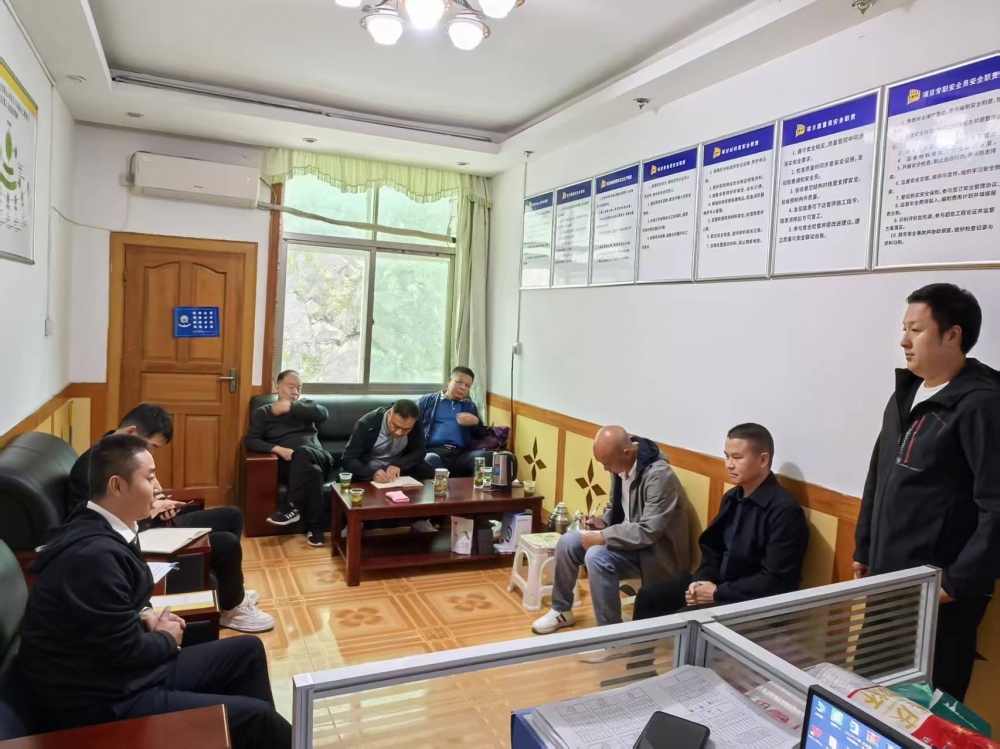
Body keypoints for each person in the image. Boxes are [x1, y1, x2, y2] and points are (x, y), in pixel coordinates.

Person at [18, 434, 291, 749]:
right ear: (117, 486)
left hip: (117, 674)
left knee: (247, 651)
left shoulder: (100, 523)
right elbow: (123, 652)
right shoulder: (93, 557)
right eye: (149, 478)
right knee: (259, 717)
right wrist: (165, 638)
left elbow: (109, 622)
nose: (157, 486)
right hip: (103, 701)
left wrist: (145, 615)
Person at [854, 283, 1000, 701]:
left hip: (939, 595)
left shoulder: (981, 404)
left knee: (922, 708)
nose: (904, 341)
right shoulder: (907, 392)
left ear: (952, 335)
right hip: (887, 583)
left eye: (915, 330)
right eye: (905, 329)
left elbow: (995, 506)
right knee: (870, 693)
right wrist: (865, 545)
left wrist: (957, 583)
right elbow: (879, 474)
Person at [68, 404, 273, 633]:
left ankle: (229, 592)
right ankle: (232, 609)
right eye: (152, 446)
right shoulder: (94, 468)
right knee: (226, 543)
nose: (152, 454)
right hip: (140, 533)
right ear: (132, 433)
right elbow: (103, 519)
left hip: (150, 520)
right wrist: (151, 509)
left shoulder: (119, 452)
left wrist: (159, 500)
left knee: (232, 516)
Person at [633, 424, 809, 620]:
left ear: (763, 460)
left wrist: (717, 593)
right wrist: (701, 581)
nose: (729, 465)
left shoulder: (785, 511)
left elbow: (775, 580)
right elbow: (713, 551)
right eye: (727, 456)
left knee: (688, 619)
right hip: (720, 587)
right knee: (650, 595)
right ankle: (637, 643)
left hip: (752, 601)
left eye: (737, 458)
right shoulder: (732, 497)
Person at [531, 426, 691, 639]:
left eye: (607, 463)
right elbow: (617, 507)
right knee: (567, 542)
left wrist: (603, 536)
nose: (605, 469)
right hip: (628, 540)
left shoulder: (659, 476)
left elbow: (648, 530)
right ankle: (561, 610)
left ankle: (611, 635)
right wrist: (602, 522)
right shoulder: (621, 466)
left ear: (626, 453)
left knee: (597, 555)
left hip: (655, 553)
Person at [245, 370, 332, 547]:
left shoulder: (306, 406)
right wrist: (277, 449)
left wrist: (291, 407)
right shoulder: (264, 412)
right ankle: (315, 529)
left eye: (299, 388)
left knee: (304, 453)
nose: (295, 392)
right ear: (277, 387)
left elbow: (323, 414)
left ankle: (291, 506)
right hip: (289, 466)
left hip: (319, 457)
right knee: (312, 472)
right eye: (291, 387)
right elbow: (251, 440)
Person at [417, 366, 493, 478]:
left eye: (467, 385)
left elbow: (480, 436)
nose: (462, 387)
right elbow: (411, 426)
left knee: (484, 457)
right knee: (430, 459)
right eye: (459, 382)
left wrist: (477, 422)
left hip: (460, 454)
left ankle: (477, 489)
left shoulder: (470, 406)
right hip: (434, 451)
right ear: (449, 381)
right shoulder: (427, 401)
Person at [340, 400, 431, 483]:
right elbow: (348, 458)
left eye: (406, 429)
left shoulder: (415, 423)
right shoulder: (367, 423)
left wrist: (399, 465)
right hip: (369, 468)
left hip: (398, 468)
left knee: (427, 470)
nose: (399, 432)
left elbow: (420, 451)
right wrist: (372, 474)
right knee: (345, 476)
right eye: (395, 426)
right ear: (389, 414)